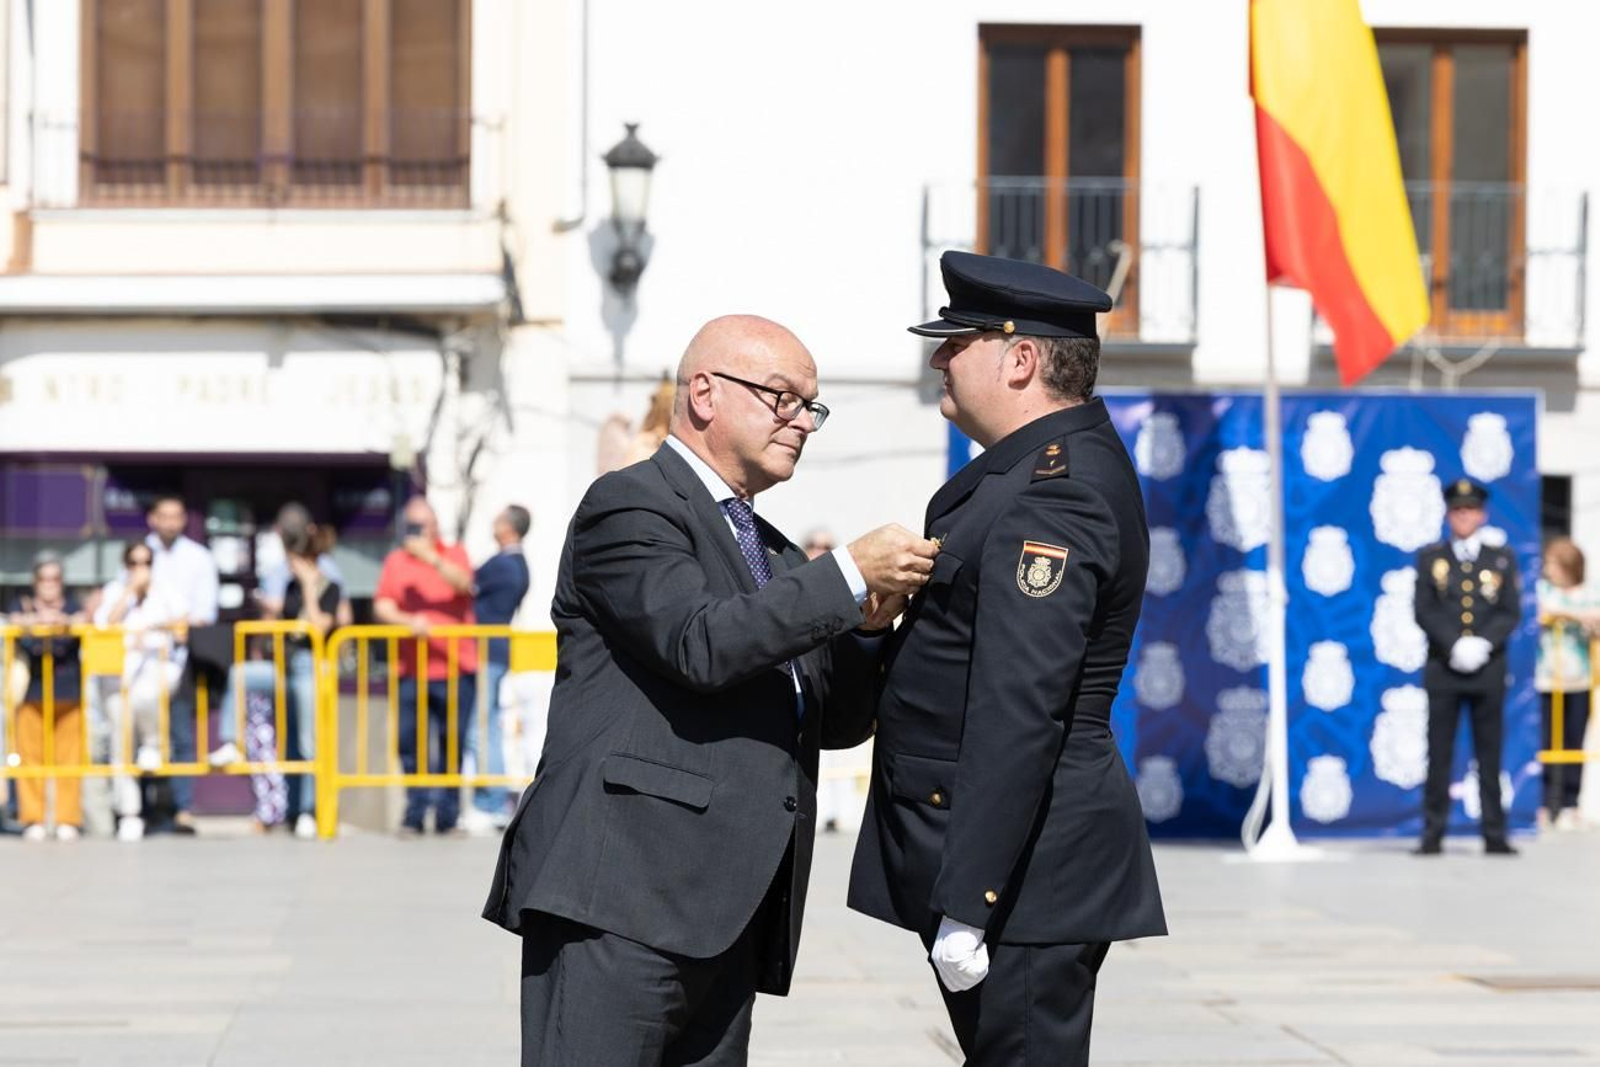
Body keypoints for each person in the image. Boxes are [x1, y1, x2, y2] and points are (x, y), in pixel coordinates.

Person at [481, 314, 938, 1065]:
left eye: (811, 407)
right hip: (620, 899)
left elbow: (830, 719)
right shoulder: (630, 505)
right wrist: (848, 573)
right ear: (704, 393)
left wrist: (865, 626)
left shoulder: (773, 553)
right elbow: (700, 643)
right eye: (782, 397)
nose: (801, 421)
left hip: (726, 915)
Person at [847, 251, 1167, 1066]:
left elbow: (1021, 702)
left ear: (1021, 358)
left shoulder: (1058, 492)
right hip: (998, 854)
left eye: (958, 342)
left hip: (1024, 871)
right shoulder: (1023, 472)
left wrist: (970, 899)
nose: (939, 360)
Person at [1413, 478, 1524, 856]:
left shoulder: (1500, 558)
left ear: (1482, 515)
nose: (1464, 516)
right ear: (1448, 515)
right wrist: (1454, 643)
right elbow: (1424, 609)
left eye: (1470, 510)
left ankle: (1495, 833)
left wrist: (1483, 643)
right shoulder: (1431, 558)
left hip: (1487, 670)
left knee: (1489, 755)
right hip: (1444, 669)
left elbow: (1509, 611)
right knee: (1439, 753)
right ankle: (1433, 833)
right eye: (1457, 510)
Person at [373, 495, 478, 834]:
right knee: (409, 743)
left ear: (435, 526)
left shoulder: (454, 553)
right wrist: (408, 621)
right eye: (411, 525)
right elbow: (383, 605)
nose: (416, 531)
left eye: (421, 524)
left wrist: (430, 557)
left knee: (452, 742)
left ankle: (448, 815)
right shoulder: (395, 561)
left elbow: (464, 584)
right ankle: (415, 812)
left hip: (455, 667)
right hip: (411, 669)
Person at [95, 540, 185, 842]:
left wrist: (155, 629)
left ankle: (153, 744)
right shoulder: (114, 591)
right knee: (120, 745)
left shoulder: (165, 592)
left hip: (155, 671)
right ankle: (129, 813)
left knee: (147, 698)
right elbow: (105, 623)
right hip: (118, 677)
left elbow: (183, 626)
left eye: (146, 562)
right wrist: (130, 593)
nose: (140, 569)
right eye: (133, 563)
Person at [144, 493, 219, 834]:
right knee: (145, 735)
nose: (171, 523)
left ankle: (181, 808)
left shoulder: (198, 557)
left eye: (176, 516)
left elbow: (205, 612)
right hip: (143, 658)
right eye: (165, 516)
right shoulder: (141, 553)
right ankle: (143, 808)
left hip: (182, 657)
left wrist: (175, 625)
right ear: (153, 519)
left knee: (180, 734)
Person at [9, 553, 89, 841]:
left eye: (55, 579)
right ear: (35, 581)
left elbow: (84, 621)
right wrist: (34, 621)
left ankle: (67, 818)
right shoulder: (22, 604)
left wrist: (62, 621)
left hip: (67, 689)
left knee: (69, 758)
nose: (49, 585)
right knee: (30, 758)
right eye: (44, 579)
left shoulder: (72, 605)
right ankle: (34, 817)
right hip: (31, 691)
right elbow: (13, 622)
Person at [464, 504, 532, 834]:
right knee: (486, 724)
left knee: (481, 727)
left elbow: (468, 582)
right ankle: (490, 799)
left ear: (510, 528)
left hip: (486, 650)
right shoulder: (515, 563)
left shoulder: (506, 564)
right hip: (491, 651)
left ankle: (489, 802)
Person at [1535, 538, 1599, 830]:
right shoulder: (1543, 590)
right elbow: (1541, 611)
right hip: (1546, 678)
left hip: (1579, 678)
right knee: (1546, 741)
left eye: (1553, 563)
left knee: (1574, 741)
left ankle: (1570, 804)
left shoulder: (1589, 592)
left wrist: (1565, 614)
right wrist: (1574, 616)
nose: (1548, 569)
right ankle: (1545, 802)